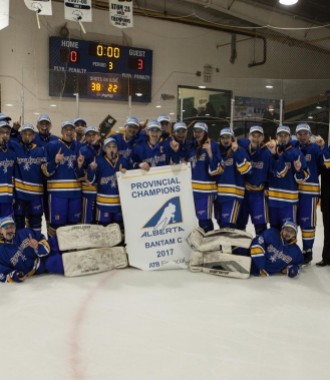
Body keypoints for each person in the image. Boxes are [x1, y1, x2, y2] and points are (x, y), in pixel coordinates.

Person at [294, 123, 328, 264]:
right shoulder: (293, 148)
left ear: (310, 135)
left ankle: (307, 251)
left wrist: (323, 147)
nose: (302, 136)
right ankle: (292, 250)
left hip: (310, 193)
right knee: (293, 222)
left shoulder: (315, 149)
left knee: (307, 224)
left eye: (305, 133)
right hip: (294, 193)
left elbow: (326, 164)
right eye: (300, 134)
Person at [42, 121, 83, 236]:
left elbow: (82, 175)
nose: (69, 132)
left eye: (71, 129)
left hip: (75, 194)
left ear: (74, 132)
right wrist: (54, 162)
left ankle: (70, 253)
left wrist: (79, 167)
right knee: (56, 227)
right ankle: (55, 253)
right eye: (66, 129)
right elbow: (45, 171)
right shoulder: (51, 146)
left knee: (73, 227)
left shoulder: (80, 147)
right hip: (57, 195)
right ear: (61, 131)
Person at [266, 125, 309, 230]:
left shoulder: (296, 153)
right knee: (274, 232)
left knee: (289, 233)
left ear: (290, 137)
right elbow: (266, 173)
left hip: (289, 202)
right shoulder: (268, 152)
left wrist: (299, 171)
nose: (283, 138)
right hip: (273, 201)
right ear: (276, 137)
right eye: (280, 135)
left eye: (285, 136)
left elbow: (304, 177)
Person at [0, 216, 64, 283]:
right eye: (6, 228)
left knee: (57, 240)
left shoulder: (24, 232)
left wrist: (37, 246)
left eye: (12, 227)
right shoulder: (1, 252)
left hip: (46, 249)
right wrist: (16, 276)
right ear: (0, 229)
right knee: (55, 262)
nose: (10, 230)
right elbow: (3, 274)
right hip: (41, 265)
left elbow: (42, 238)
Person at [186, 122, 223, 232]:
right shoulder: (192, 146)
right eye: (195, 131)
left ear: (205, 132)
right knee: (193, 220)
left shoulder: (213, 145)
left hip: (206, 191)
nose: (197, 133)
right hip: (192, 191)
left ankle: (209, 245)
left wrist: (210, 153)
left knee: (204, 221)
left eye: (200, 131)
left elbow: (217, 170)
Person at [237, 125, 273, 235]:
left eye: (258, 136)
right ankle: (240, 250)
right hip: (243, 193)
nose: (255, 138)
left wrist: (267, 187)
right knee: (239, 226)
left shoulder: (267, 153)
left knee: (260, 227)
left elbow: (271, 173)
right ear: (249, 136)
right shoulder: (241, 148)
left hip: (259, 196)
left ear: (262, 138)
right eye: (253, 135)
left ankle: (260, 250)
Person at [10, 123, 46, 231]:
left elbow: (46, 171)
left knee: (36, 226)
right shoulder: (15, 147)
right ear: (21, 135)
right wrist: (14, 131)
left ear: (34, 135)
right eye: (24, 133)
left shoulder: (41, 150)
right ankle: (20, 247)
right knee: (19, 225)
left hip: (35, 196)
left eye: (30, 134)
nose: (27, 136)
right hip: (19, 196)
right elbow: (5, 139)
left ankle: (34, 247)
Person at [87, 137, 129, 227]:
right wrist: (91, 170)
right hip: (102, 204)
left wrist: (126, 174)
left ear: (117, 148)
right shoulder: (98, 161)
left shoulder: (123, 162)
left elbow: (130, 183)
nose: (111, 149)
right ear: (105, 149)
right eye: (109, 147)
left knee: (117, 230)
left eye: (114, 147)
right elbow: (91, 181)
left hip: (118, 204)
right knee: (103, 230)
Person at [215, 128, 252, 229]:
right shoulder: (217, 152)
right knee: (222, 225)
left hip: (233, 197)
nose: (225, 140)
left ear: (233, 139)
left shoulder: (239, 150)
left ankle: (234, 245)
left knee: (229, 226)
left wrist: (237, 152)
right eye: (223, 137)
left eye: (228, 137)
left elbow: (246, 170)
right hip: (219, 196)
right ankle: (227, 245)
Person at [79, 126, 103, 224]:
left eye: (94, 134)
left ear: (98, 136)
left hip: (102, 190)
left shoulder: (105, 149)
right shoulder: (83, 150)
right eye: (89, 135)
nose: (91, 137)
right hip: (88, 190)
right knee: (87, 219)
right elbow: (79, 171)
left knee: (100, 218)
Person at [0, 121, 16, 218]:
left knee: (7, 228)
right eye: (2, 132)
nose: (5, 135)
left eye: (7, 132)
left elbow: (13, 176)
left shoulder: (12, 154)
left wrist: (13, 195)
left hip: (7, 198)